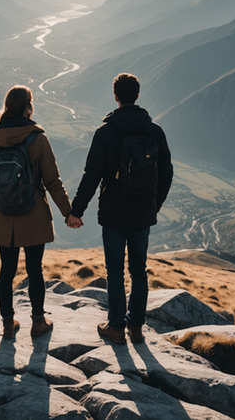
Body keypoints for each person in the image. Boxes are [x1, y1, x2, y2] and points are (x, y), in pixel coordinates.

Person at [67, 73, 173, 344]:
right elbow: (167, 172)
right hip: (142, 213)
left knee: (115, 271)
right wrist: (156, 203)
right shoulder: (155, 131)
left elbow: (91, 175)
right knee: (139, 270)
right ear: (137, 95)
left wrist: (75, 211)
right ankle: (136, 327)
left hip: (114, 213)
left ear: (116, 96)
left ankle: (116, 327)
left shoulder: (106, 132)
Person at [0, 85, 73, 340]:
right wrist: (68, 213)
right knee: (35, 270)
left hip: (2, 217)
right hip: (32, 216)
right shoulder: (38, 139)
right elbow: (53, 181)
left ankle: (8, 324)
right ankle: (38, 322)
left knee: (6, 271)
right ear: (28, 107)